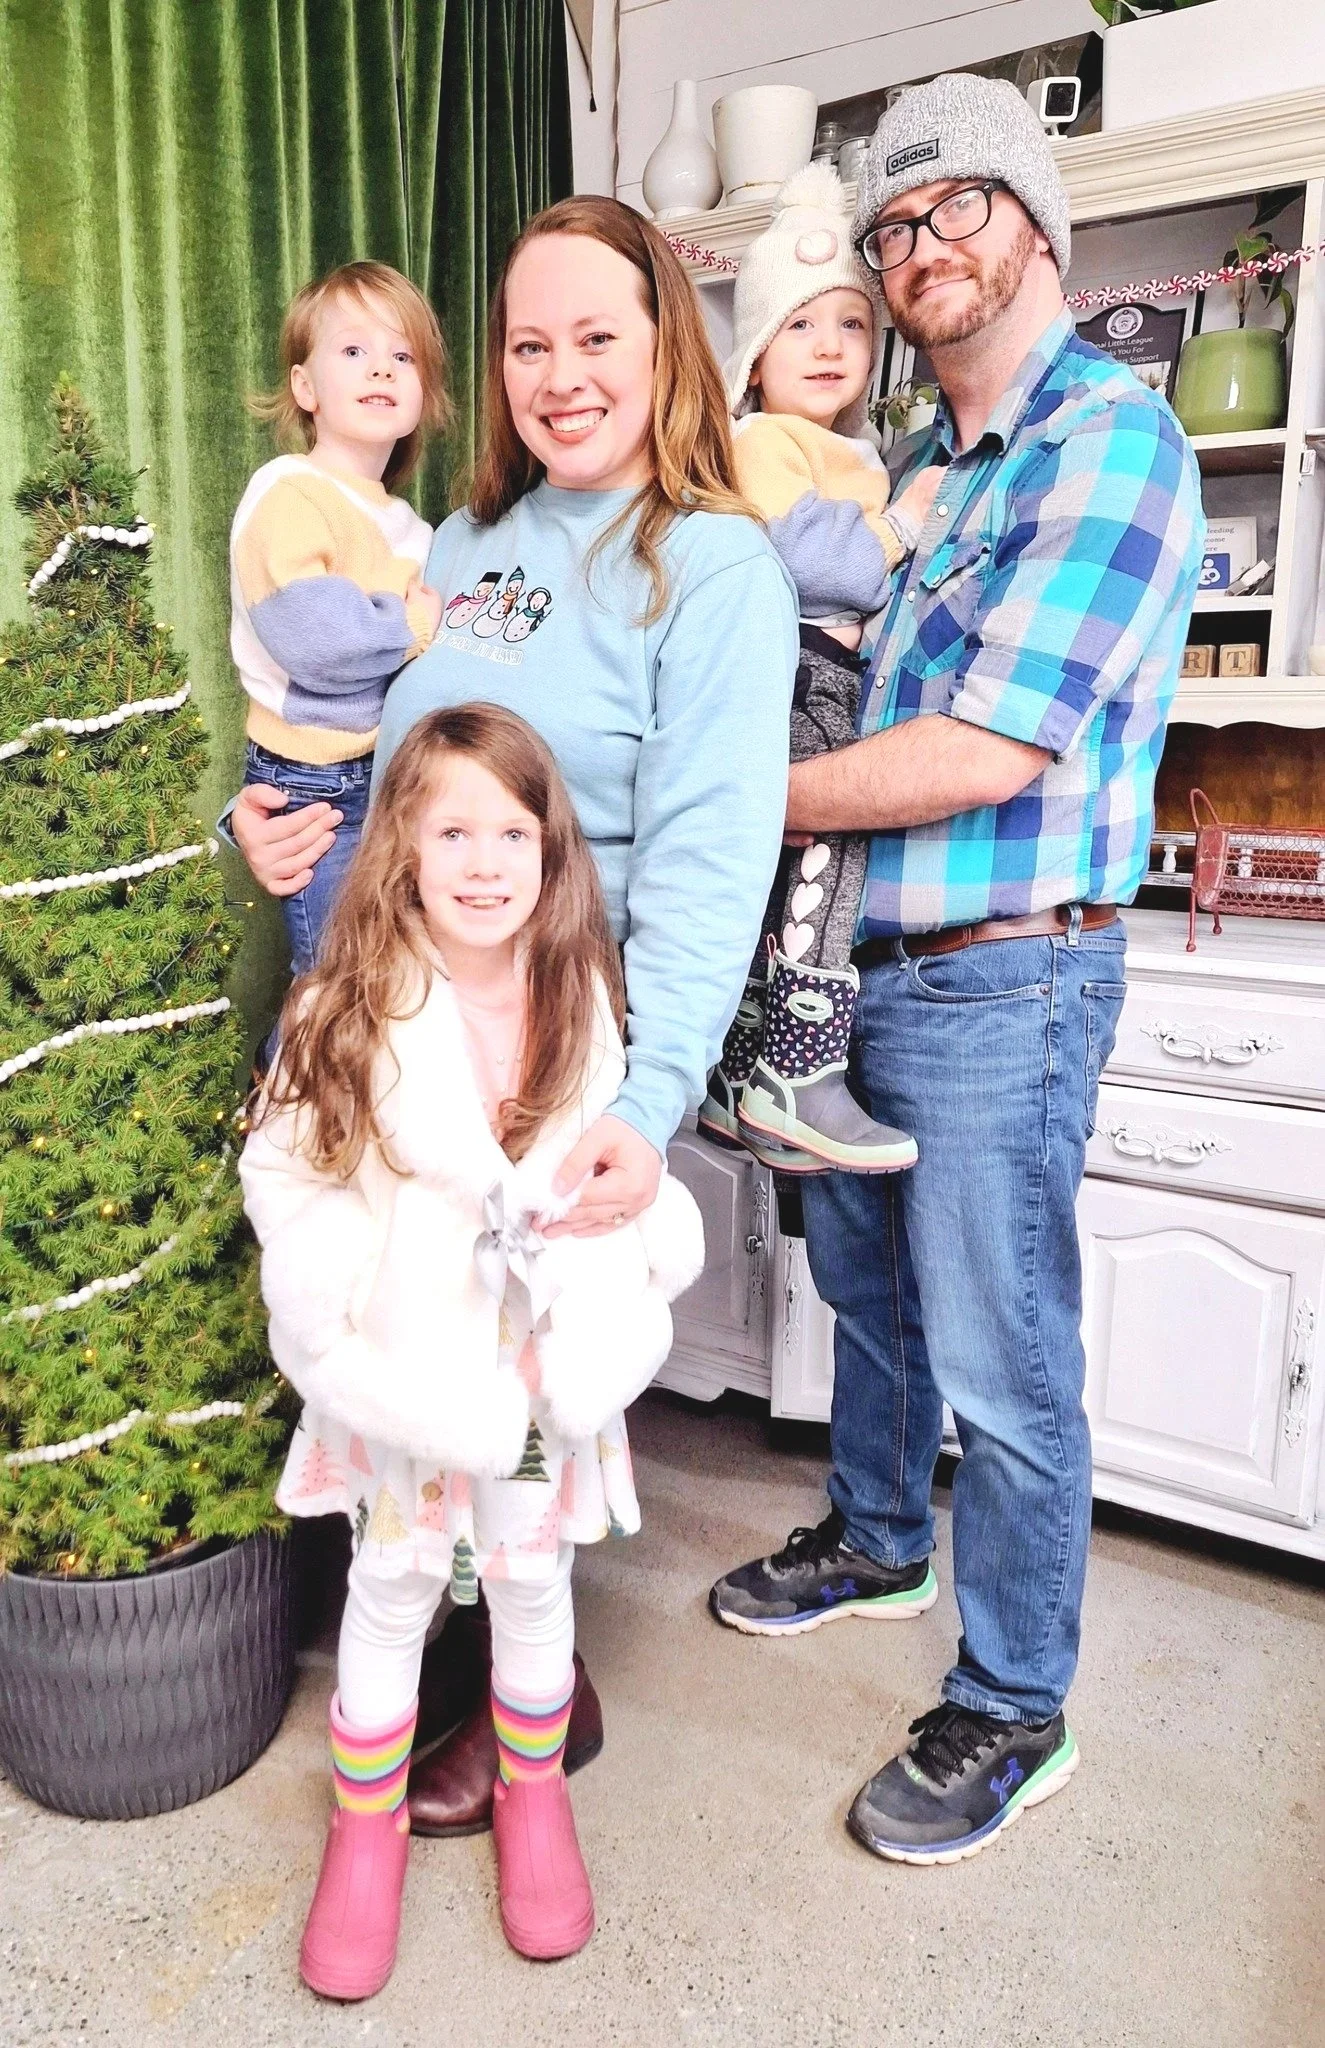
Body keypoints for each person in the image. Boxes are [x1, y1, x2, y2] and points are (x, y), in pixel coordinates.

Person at [227, 198, 799, 1827]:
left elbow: (710, 851)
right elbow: (368, 756)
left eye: (597, 336)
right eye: (528, 344)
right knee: (398, 1329)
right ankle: (428, 1625)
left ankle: (527, 1681)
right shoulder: (460, 542)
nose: (560, 375)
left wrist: (650, 1093)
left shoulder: (715, 563)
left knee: (529, 1357)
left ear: (667, 346)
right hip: (390, 1012)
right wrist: (269, 822)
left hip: (549, 1039)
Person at [710, 73, 1205, 1865]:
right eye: (894, 226)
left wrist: (734, 797)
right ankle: (875, 1536)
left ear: (1039, 227)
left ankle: (1012, 1699)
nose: (921, 246)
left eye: (957, 208)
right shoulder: (906, 469)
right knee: (869, 1299)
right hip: (862, 973)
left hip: (1008, 978)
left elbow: (994, 744)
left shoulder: (1112, 443)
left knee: (1003, 1358)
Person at [240, 704, 705, 1990]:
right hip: (412, 1374)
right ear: (402, 845)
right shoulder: (346, 1004)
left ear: (551, 852)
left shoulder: (582, 997)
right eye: (452, 831)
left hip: (535, 1374)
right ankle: (364, 1827)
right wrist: (336, 1306)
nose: (485, 862)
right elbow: (284, 1171)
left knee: (532, 1580)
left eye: (512, 833)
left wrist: (626, 1239)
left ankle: (532, 1791)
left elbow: (606, 1164)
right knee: (389, 1587)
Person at [700, 162, 942, 1174]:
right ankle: (797, 1069)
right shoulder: (762, 441)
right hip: (797, 668)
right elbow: (820, 563)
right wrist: (900, 526)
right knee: (824, 848)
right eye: (799, 325)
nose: (830, 346)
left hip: (817, 667)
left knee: (789, 862)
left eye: (850, 324)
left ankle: (737, 1070)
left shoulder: (838, 446)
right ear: (755, 354)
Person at [232, 260, 450, 976]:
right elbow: (317, 640)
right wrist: (412, 626)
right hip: (315, 778)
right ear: (305, 387)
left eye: (402, 356)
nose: (381, 369)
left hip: (387, 773)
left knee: (392, 974)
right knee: (338, 979)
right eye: (353, 350)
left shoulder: (413, 528)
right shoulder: (289, 490)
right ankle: (295, 1055)